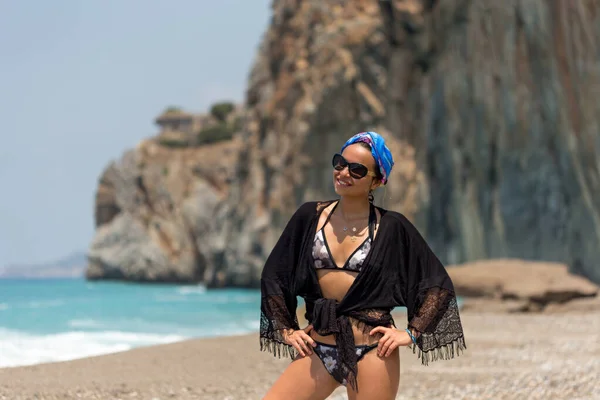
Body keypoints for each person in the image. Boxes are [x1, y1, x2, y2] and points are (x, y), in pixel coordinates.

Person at [260, 131, 466, 400]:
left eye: (356, 170)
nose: (344, 173)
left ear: (377, 181)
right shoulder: (309, 216)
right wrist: (286, 329)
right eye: (340, 163)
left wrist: (411, 334)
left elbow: (436, 284)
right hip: (319, 348)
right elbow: (275, 274)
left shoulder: (393, 227)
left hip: (373, 352)